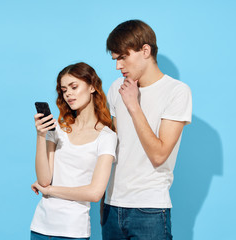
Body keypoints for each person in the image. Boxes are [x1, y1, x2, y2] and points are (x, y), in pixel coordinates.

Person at [101, 20, 192, 240]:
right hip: (111, 206)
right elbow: (109, 145)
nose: (118, 66)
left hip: (149, 209)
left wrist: (133, 105)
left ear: (145, 50)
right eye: (115, 59)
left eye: (123, 57)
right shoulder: (116, 88)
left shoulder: (176, 92)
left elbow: (159, 154)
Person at [30, 62, 117, 240]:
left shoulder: (107, 137)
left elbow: (94, 193)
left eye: (74, 86)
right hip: (40, 227)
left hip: (72, 231)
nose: (68, 93)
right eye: (64, 90)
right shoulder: (59, 130)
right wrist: (40, 135)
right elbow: (44, 180)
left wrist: (50, 191)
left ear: (92, 86)